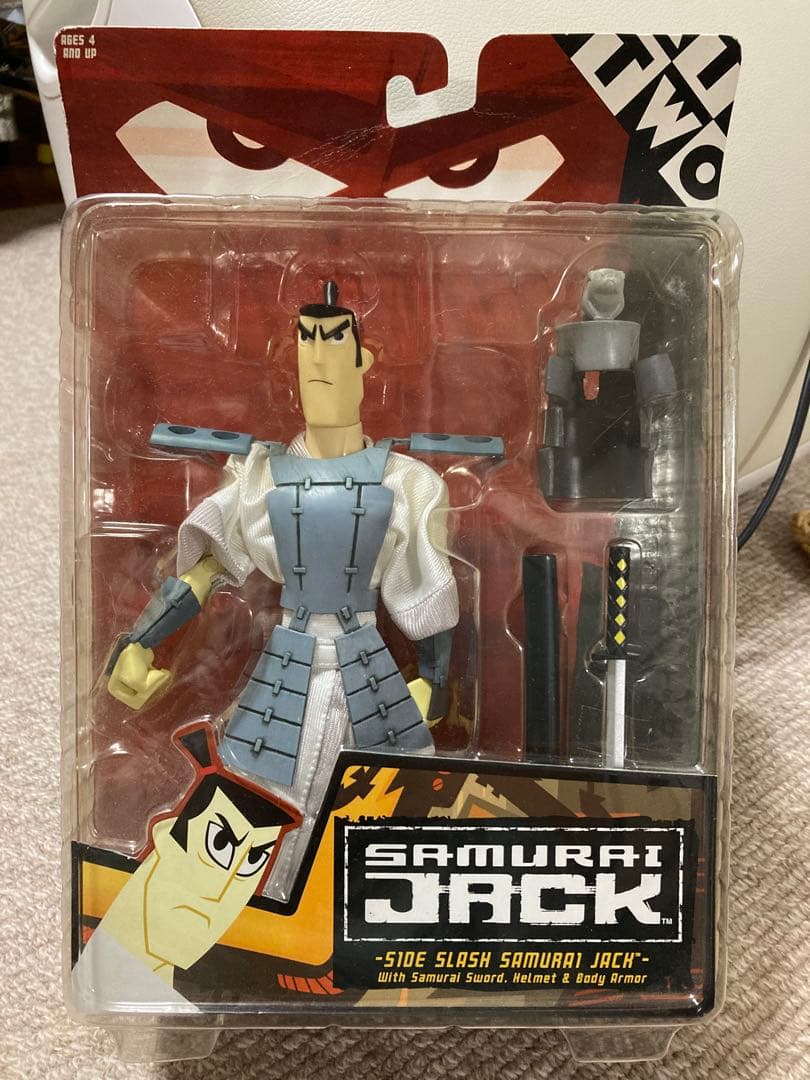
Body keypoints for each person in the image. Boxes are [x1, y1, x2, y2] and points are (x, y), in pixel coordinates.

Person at [106, 282, 458, 896]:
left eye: (334, 340)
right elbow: (205, 568)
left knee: (376, 807)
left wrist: (436, 677)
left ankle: (357, 918)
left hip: (368, 668)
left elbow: (426, 588)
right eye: (306, 341)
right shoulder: (260, 477)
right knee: (254, 804)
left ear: (363, 360)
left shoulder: (407, 483)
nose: (317, 357)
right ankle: (246, 913)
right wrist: (139, 643)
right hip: (286, 666)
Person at [72, 724, 299, 1011]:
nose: (220, 893)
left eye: (253, 862)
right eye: (219, 844)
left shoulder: (167, 1000)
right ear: (165, 832)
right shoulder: (92, 970)